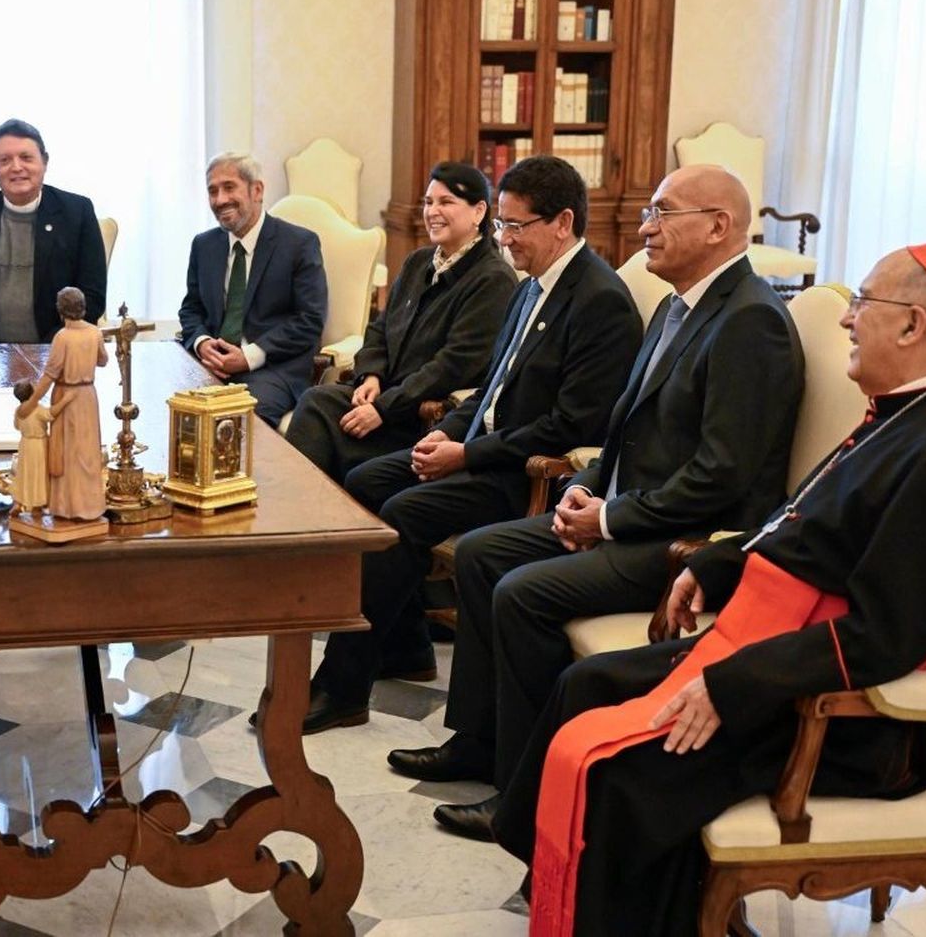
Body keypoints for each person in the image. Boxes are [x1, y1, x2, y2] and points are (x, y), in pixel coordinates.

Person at [488, 244, 926, 936]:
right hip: (777, 659)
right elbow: (802, 527)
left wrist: (733, 684)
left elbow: (885, 638)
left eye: (862, 303)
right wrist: (713, 566)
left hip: (845, 724)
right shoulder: (900, 416)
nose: (848, 320)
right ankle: (578, 897)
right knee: (584, 685)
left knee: (623, 778)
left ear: (913, 325)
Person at [391, 164, 804, 806]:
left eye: (663, 213)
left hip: (687, 539)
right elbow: (619, 430)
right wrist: (584, 488)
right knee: (479, 554)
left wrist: (609, 520)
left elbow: (722, 475)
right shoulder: (678, 304)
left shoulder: (751, 320)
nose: (645, 228)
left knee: (522, 593)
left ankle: (525, 793)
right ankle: (480, 740)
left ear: (719, 226)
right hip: (628, 509)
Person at [297, 155, 640, 733]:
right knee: (367, 480)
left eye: (515, 226)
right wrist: (447, 432)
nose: (504, 239)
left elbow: (571, 426)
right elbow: (492, 388)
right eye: (502, 225)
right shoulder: (535, 286)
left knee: (403, 511)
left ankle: (342, 684)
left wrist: (467, 453)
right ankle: (405, 643)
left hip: (528, 476)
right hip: (482, 446)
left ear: (561, 222)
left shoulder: (597, 299)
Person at [284, 161, 517, 482]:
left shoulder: (493, 279)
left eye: (446, 202)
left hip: (417, 416)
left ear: (479, 212)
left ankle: (313, 515)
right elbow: (380, 327)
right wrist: (370, 376)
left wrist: (383, 409)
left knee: (323, 432)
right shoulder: (418, 262)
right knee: (317, 401)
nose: (433, 211)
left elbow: (453, 364)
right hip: (384, 394)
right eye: (428, 202)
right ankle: (305, 512)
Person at [177, 151, 328, 426]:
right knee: (165, 410)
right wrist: (201, 343)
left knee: (234, 425)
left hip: (272, 370)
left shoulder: (299, 244)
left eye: (229, 187)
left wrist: (247, 357)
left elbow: (310, 321)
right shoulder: (204, 245)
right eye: (212, 191)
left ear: (256, 190)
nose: (220, 200)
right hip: (209, 367)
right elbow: (191, 308)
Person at [0, 118, 106, 343]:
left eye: (26, 158)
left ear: (44, 162)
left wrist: (47, 353)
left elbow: (92, 297)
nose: (16, 167)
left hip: (56, 356)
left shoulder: (77, 213)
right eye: (5, 160)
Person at [20, 286, 107, 521]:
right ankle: (89, 505)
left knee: (68, 454)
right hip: (88, 396)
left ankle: (68, 507)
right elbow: (103, 360)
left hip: (67, 396)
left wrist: (32, 401)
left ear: (60, 311)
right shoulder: (94, 333)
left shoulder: (63, 337)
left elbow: (50, 374)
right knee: (87, 453)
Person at [10, 378, 52, 512]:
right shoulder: (38, 409)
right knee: (38, 473)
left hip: (25, 444)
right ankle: (37, 503)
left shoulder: (19, 410)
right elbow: (51, 415)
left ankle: (19, 502)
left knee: (23, 473)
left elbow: (16, 426)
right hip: (39, 444)